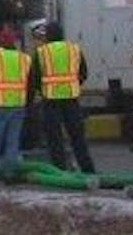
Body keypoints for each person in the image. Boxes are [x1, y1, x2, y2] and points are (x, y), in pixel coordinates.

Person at [32, 21, 96, 174]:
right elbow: (83, 73)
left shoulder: (42, 52)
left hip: (50, 100)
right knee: (77, 137)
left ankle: (59, 171)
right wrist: (73, 84)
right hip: (71, 100)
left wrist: (42, 90)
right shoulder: (74, 49)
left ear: (48, 36)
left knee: (55, 139)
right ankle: (88, 169)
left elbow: (35, 77)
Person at [0, 24, 35, 183]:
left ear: (0, 39)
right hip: (18, 106)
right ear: (15, 40)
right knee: (12, 143)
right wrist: (28, 105)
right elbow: (31, 86)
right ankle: (9, 175)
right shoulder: (25, 59)